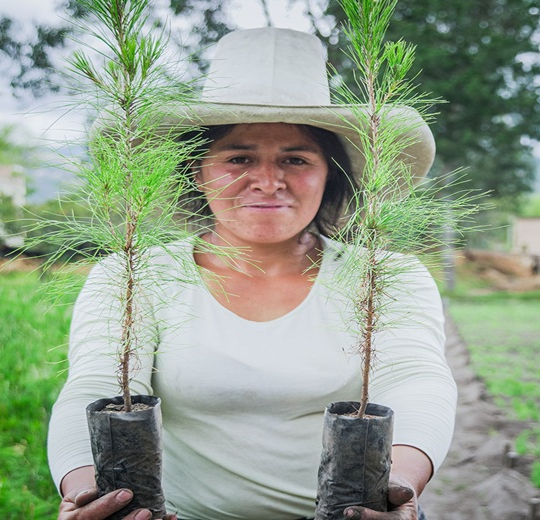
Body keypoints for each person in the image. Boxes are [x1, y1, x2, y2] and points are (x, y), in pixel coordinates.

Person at [49, 27, 457, 520]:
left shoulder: (386, 277)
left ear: (333, 174)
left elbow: (417, 382)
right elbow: (93, 387)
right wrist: (90, 495)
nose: (267, 181)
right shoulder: (134, 277)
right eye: (239, 157)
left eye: (296, 159)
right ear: (195, 171)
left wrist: (398, 490)